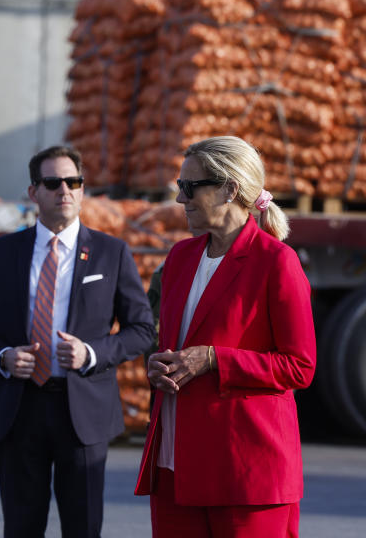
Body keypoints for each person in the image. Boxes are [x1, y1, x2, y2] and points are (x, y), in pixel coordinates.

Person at [134, 136, 316, 537]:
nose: (181, 199)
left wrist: (214, 358)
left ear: (230, 189)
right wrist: (160, 363)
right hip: (176, 464)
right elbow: (176, 344)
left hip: (245, 471)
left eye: (189, 187)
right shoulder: (180, 258)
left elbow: (299, 367)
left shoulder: (276, 263)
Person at [0, 145, 155, 538]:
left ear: (83, 189)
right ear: (33, 192)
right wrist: (3, 356)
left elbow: (142, 329)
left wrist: (90, 353)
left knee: (83, 527)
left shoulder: (111, 252)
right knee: (21, 527)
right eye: (53, 182)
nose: (65, 190)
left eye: (74, 182)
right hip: (19, 410)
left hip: (83, 412)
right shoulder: (3, 252)